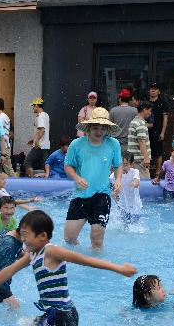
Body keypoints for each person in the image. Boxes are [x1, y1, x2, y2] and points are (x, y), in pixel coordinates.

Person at [0, 210, 136, 326]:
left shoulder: (51, 251)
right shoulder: (33, 255)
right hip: (52, 313)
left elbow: (85, 260)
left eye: (26, 234)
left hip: (63, 314)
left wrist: (119, 269)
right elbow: (8, 271)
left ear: (42, 236)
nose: (22, 239)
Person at [63, 107, 123, 249]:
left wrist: (118, 180)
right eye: (96, 128)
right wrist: (77, 178)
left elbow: (118, 165)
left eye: (103, 128)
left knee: (97, 239)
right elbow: (68, 166)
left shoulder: (113, 144)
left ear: (107, 129)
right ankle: (80, 259)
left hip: (102, 195)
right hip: (80, 195)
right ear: (88, 127)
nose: (99, 131)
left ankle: (96, 266)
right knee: (69, 238)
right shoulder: (76, 144)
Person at [111, 152, 142, 225]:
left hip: (135, 207)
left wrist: (133, 183)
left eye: (125, 164)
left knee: (135, 226)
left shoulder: (134, 172)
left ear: (131, 164)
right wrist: (114, 193)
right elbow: (112, 192)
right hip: (123, 207)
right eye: (120, 164)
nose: (122, 167)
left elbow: (136, 182)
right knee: (124, 226)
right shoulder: (113, 176)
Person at [24, 98, 50, 178]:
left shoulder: (40, 116)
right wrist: (33, 140)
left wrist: (36, 141)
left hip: (39, 145)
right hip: (45, 144)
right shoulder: (46, 115)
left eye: (33, 106)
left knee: (27, 163)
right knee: (45, 164)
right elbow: (42, 130)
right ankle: (47, 180)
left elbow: (42, 131)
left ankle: (31, 181)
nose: (33, 108)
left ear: (36, 106)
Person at [147, 83, 169, 179]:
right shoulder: (146, 103)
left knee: (158, 152)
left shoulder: (163, 103)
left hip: (157, 130)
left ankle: (158, 172)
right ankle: (146, 171)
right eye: (151, 89)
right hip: (145, 130)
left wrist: (163, 132)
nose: (153, 90)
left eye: (155, 89)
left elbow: (165, 118)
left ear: (159, 91)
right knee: (146, 151)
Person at [127, 101, 152, 179]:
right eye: (149, 111)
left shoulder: (134, 121)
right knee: (145, 183)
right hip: (140, 160)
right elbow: (141, 141)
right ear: (145, 110)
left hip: (134, 158)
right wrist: (146, 157)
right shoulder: (140, 123)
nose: (150, 113)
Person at [0, 98, 15, 176]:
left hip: (3, 147)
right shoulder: (2, 116)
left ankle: (17, 185)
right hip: (4, 146)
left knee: (8, 170)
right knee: (1, 170)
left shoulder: (0, 118)